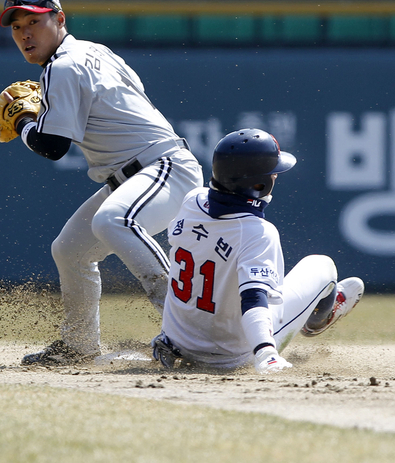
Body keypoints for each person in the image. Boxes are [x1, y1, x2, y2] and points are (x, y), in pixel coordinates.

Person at [0, 0, 204, 365]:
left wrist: (25, 121)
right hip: (138, 174)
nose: (25, 33)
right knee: (71, 250)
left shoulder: (63, 65)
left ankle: (189, 331)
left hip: (162, 168)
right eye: (16, 26)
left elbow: (53, 146)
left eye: (34, 21)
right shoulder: (92, 50)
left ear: (59, 19)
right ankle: (79, 345)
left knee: (116, 219)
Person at [152, 128, 364, 373]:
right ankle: (315, 320)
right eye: (272, 172)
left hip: (176, 343)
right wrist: (266, 353)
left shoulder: (192, 201)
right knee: (322, 265)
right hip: (231, 355)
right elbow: (254, 300)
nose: (276, 176)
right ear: (258, 184)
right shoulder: (258, 232)